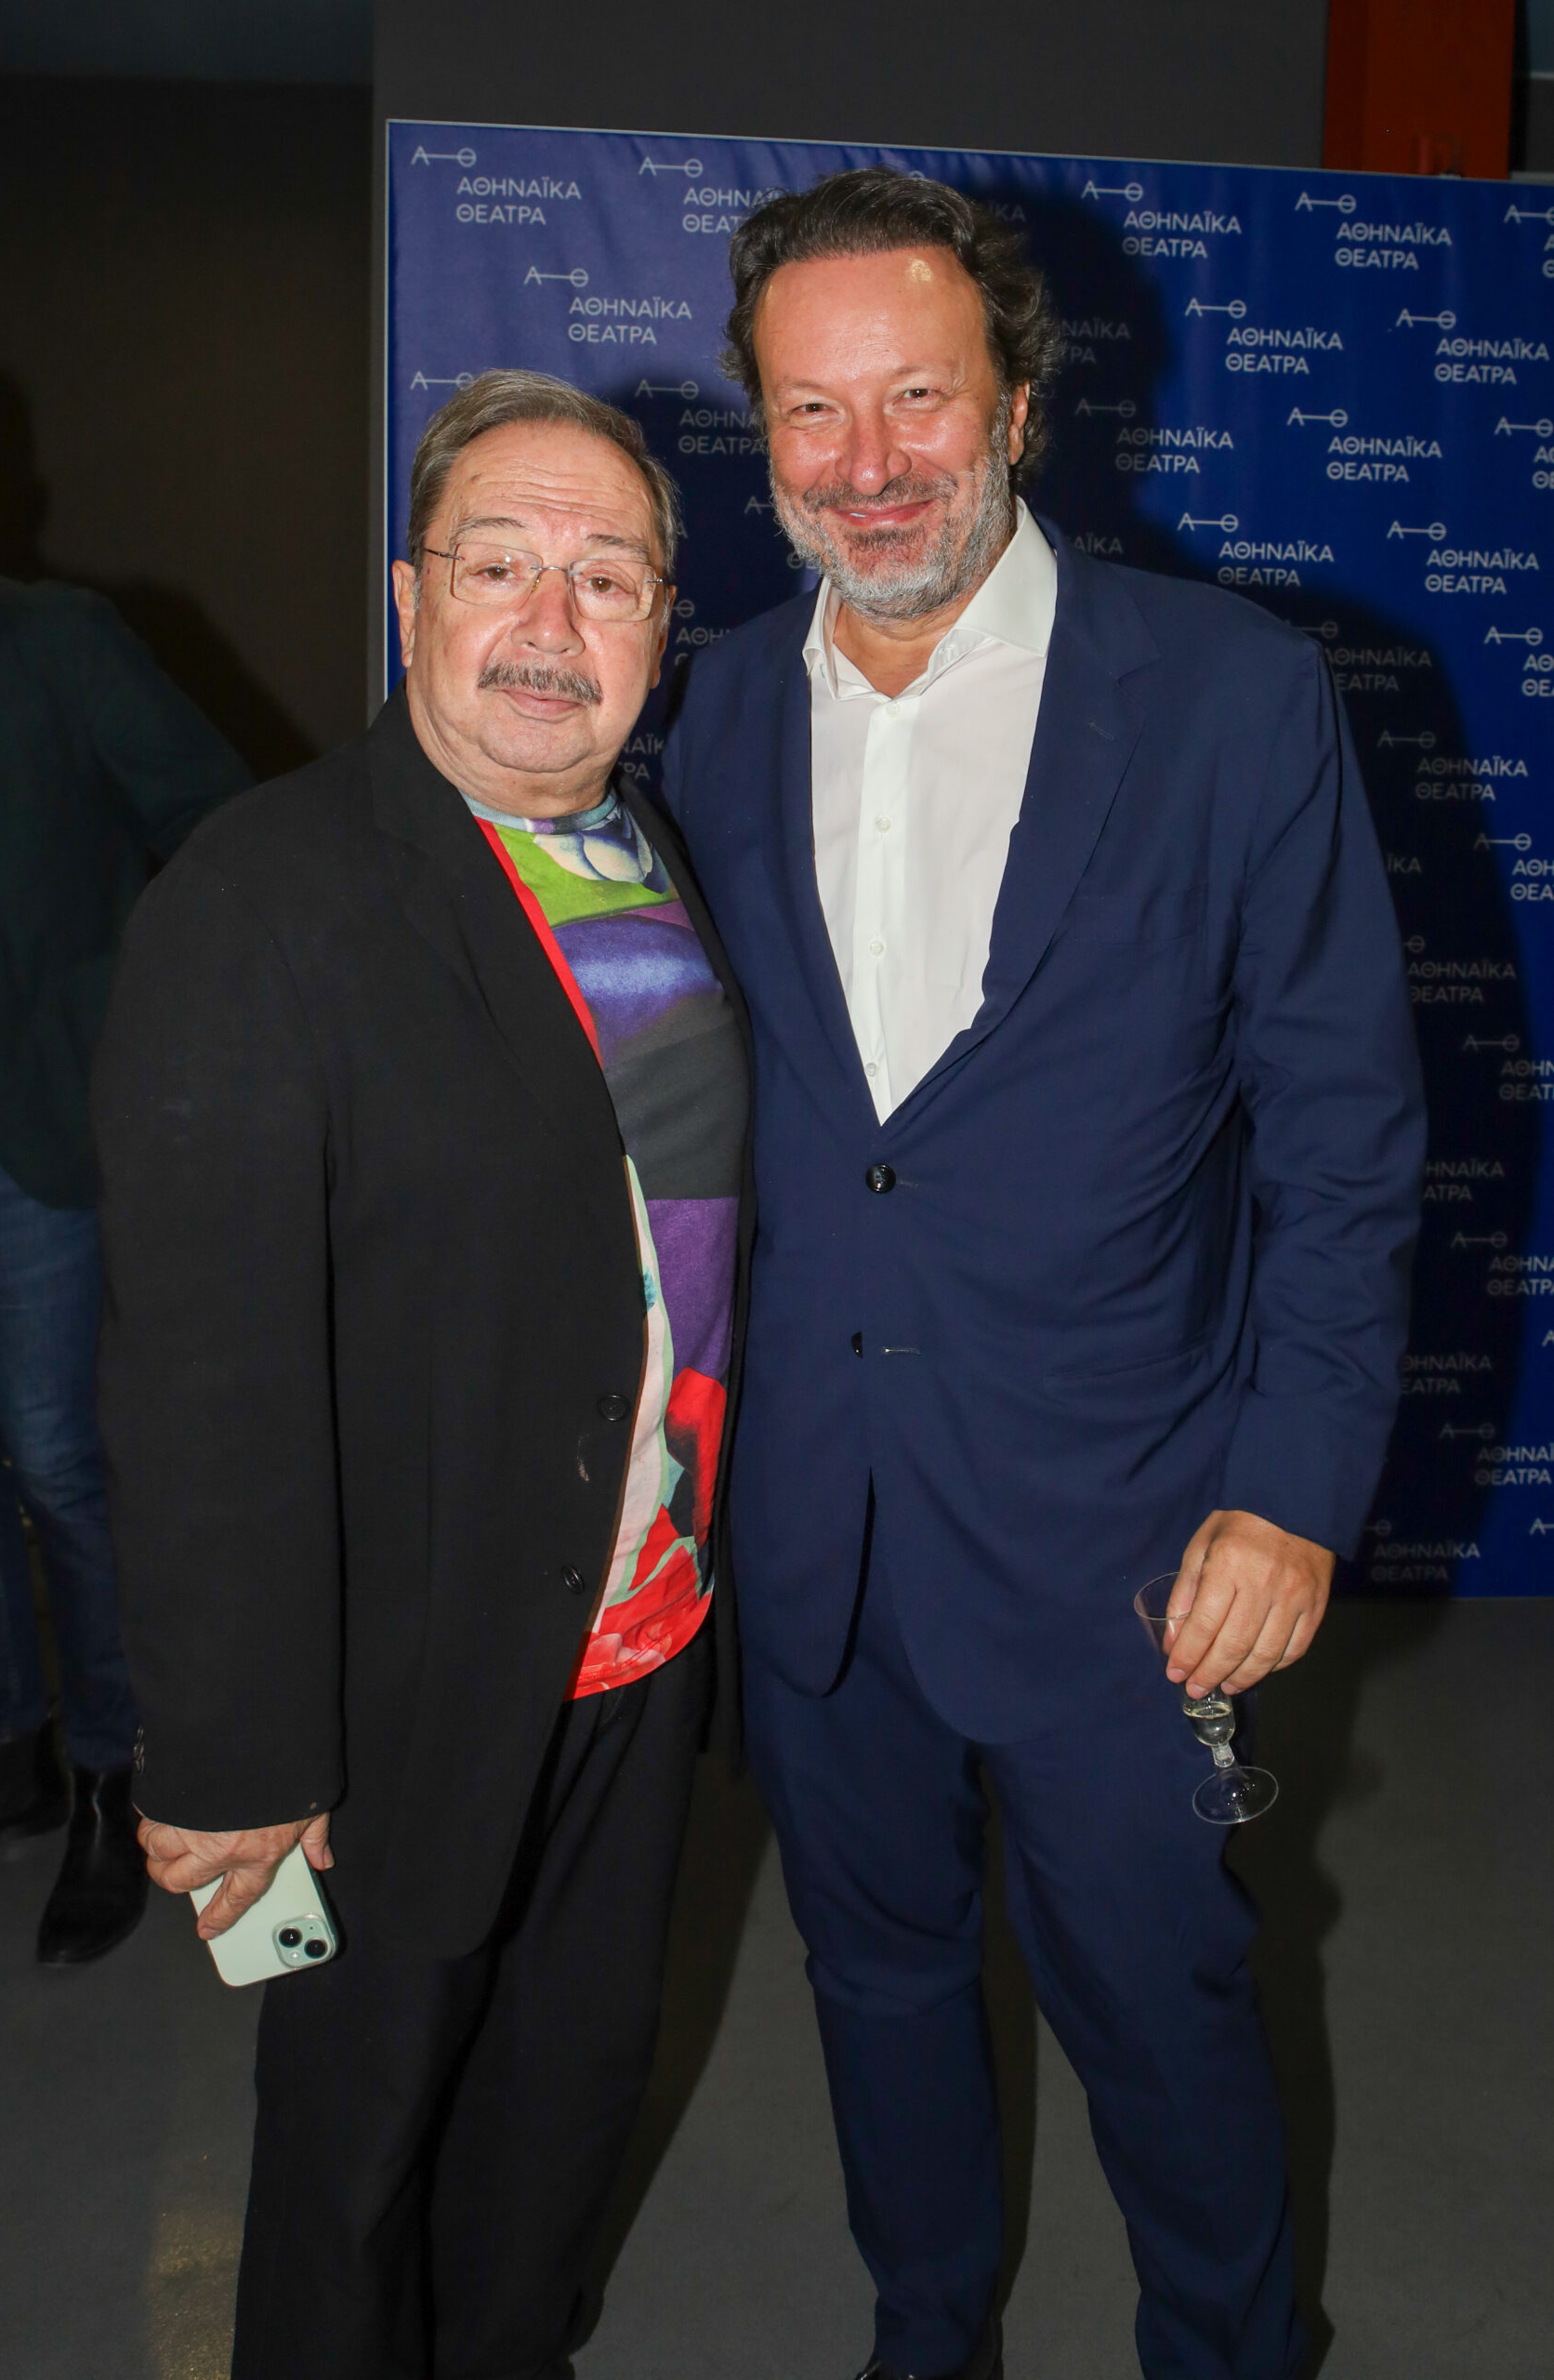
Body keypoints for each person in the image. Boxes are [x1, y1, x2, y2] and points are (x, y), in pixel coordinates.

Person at [659, 169, 1425, 2380]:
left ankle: (1228, 2348)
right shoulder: (707, 712)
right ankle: (926, 2334)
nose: (865, 461)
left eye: (915, 396)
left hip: (1128, 1539)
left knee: (1160, 2005)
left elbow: (1344, 1135)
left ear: (1015, 399)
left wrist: (1288, 1487)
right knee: (874, 1979)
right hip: (811, 1527)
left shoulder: (1227, 696)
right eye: (811, 411)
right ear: (760, 430)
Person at [92, 371, 749, 2380]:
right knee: (359, 2172)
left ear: (661, 626)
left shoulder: (645, 852)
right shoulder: (262, 896)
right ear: (407, 599)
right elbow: (199, 1373)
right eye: (498, 565)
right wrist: (230, 1754)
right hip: (404, 1690)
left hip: (639, 1646)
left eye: (608, 577)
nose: (552, 622)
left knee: (558, 2123)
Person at [0, 564, 249, 1964]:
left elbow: (219, 823)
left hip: (30, 1132)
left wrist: (111, 1008)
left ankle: (108, 1773)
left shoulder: (52, 645)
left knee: (61, 1467)